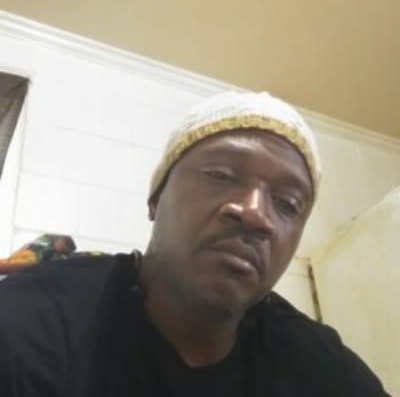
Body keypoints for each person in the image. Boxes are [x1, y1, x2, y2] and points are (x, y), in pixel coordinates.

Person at [0, 91, 390, 396]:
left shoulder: (320, 366)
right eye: (221, 175)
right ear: (156, 197)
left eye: (287, 204)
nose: (256, 214)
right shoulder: (35, 320)